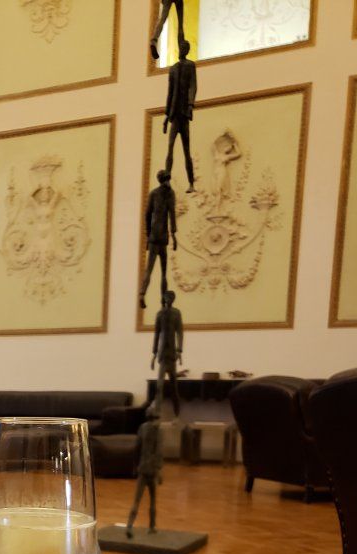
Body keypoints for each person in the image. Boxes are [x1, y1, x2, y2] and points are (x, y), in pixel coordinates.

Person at [140, 171, 177, 310]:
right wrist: (173, 235)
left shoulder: (154, 193)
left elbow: (147, 215)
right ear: (165, 180)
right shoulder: (169, 194)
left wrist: (148, 235)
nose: (168, 182)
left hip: (156, 236)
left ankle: (144, 294)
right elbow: (172, 215)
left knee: (151, 269)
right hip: (161, 237)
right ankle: (160, 301)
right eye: (167, 179)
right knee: (162, 271)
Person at [165, 40, 197, 192]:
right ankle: (167, 181)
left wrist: (191, 105)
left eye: (184, 48)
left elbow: (193, 85)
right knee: (170, 147)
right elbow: (170, 93)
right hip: (174, 114)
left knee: (186, 150)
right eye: (180, 47)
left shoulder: (190, 66)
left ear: (187, 50)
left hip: (184, 114)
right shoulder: (173, 69)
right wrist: (166, 116)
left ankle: (191, 183)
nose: (181, 50)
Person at [126, 405, 163, 537]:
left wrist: (135, 466)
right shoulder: (158, 430)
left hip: (143, 468)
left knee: (137, 500)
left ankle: (129, 526)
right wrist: (159, 471)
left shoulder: (143, 428)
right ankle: (152, 526)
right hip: (152, 470)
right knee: (152, 501)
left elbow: (137, 448)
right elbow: (159, 452)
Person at [152, 291, 183, 417]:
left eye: (171, 297)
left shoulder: (176, 313)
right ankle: (157, 414)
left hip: (172, 355)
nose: (168, 299)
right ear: (164, 298)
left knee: (173, 388)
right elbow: (156, 333)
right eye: (166, 297)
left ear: (173, 299)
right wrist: (154, 353)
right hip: (162, 355)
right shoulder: (160, 314)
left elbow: (180, 332)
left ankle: (177, 415)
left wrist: (179, 350)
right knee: (159, 386)